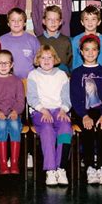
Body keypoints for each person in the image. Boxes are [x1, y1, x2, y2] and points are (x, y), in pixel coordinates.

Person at [70, 35, 102, 185]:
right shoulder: (77, 73)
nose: (90, 53)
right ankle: (89, 166)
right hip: (83, 112)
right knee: (88, 131)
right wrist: (83, 116)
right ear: (81, 52)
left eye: (94, 50)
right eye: (87, 50)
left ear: (98, 51)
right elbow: (75, 97)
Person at [27, 45, 72, 186]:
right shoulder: (33, 75)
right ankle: (50, 170)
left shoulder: (61, 75)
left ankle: (61, 167)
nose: (46, 60)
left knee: (65, 128)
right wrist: (43, 110)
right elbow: (32, 98)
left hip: (59, 109)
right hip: (41, 110)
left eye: (49, 57)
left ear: (55, 59)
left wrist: (64, 109)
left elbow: (66, 97)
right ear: (38, 60)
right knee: (47, 129)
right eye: (43, 57)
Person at [0, 50, 25, 175]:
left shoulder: (17, 81)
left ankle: (13, 162)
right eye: (0, 63)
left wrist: (15, 111)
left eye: (6, 63)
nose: (3, 66)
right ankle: (2, 163)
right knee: (1, 125)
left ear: (12, 64)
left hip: (13, 113)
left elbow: (20, 101)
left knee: (14, 125)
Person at [0, 7, 40, 79]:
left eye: (20, 20)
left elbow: (39, 61)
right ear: (8, 23)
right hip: (8, 80)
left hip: (29, 79)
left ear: (24, 23)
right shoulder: (2, 40)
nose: (16, 22)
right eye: (13, 20)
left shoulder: (33, 40)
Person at [71, 5, 102, 70]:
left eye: (93, 19)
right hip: (81, 75)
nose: (90, 22)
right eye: (86, 19)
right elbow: (74, 62)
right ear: (82, 22)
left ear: (99, 22)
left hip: (100, 74)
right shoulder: (76, 40)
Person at [37, 5, 72, 73]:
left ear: (60, 22)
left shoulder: (66, 41)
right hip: (43, 78)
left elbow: (70, 64)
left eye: (56, 19)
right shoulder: (37, 41)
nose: (53, 22)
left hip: (61, 79)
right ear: (44, 21)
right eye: (49, 19)